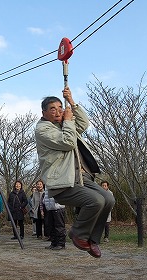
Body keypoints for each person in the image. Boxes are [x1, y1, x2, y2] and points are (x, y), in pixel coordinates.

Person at [35, 87, 115, 258]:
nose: (58, 111)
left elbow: (84, 124)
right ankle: (78, 234)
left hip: (80, 176)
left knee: (108, 198)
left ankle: (92, 239)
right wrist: (68, 121)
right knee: (96, 200)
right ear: (44, 112)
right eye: (52, 109)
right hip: (63, 182)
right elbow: (68, 142)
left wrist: (72, 102)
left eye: (59, 107)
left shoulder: (65, 124)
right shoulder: (43, 130)